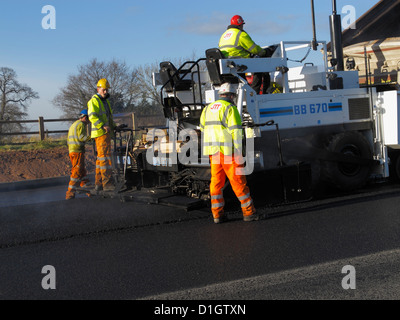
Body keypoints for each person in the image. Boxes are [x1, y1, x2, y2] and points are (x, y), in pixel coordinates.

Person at [199, 82, 258, 223]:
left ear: (220, 95)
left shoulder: (207, 109)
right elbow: (236, 132)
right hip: (229, 151)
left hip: (213, 152)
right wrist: (239, 151)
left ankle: (217, 214)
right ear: (232, 96)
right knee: (237, 181)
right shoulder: (230, 108)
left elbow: (202, 128)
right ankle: (249, 212)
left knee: (216, 183)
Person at [218, 15, 270, 94]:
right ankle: (254, 93)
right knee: (259, 67)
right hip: (238, 62)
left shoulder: (223, 35)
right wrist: (265, 52)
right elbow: (254, 49)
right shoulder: (240, 34)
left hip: (227, 65)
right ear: (240, 24)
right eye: (242, 24)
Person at [87, 78, 116, 193]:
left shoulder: (105, 101)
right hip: (101, 134)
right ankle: (107, 183)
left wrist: (114, 126)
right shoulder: (94, 101)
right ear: (98, 89)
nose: (106, 92)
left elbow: (108, 117)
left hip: (105, 133)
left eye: (107, 90)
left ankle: (99, 183)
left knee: (100, 159)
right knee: (105, 158)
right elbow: (92, 116)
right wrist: (103, 126)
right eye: (104, 90)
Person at [65, 109, 92, 200]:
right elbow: (82, 137)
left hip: (72, 151)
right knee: (76, 172)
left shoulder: (74, 124)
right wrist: (92, 138)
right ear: (85, 117)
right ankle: (70, 194)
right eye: (89, 119)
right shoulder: (81, 125)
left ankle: (89, 191)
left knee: (82, 172)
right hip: (77, 151)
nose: (89, 121)